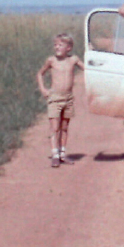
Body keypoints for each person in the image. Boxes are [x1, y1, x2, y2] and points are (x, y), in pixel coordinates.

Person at [36, 32, 85, 168]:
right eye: (55, 45)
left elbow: (86, 68)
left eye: (60, 45)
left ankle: (63, 153)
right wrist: (43, 90)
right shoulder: (51, 60)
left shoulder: (73, 59)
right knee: (55, 127)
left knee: (64, 127)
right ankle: (55, 154)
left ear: (68, 47)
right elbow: (40, 73)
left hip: (68, 98)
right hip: (55, 98)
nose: (57, 47)